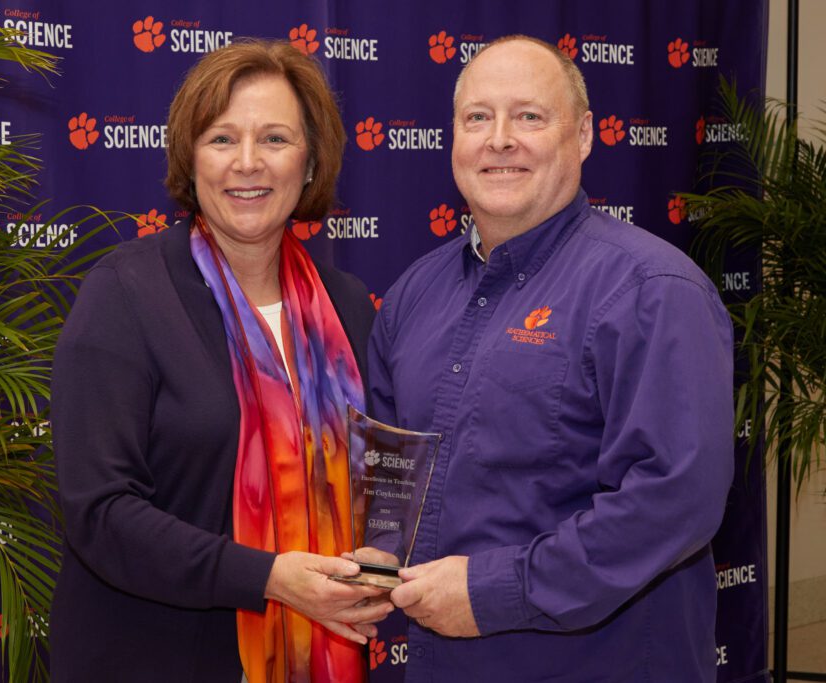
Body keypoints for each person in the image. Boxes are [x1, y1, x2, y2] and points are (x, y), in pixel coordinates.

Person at [365, 35, 735, 681]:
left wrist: (494, 590)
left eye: (529, 116)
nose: (499, 138)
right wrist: (374, 557)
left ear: (584, 135)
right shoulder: (409, 296)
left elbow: (674, 499)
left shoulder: (652, 292)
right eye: (477, 117)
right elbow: (389, 472)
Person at [49, 40, 392, 683]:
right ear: (191, 157)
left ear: (312, 163)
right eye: (221, 138)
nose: (247, 163)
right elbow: (100, 512)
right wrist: (268, 579)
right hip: (151, 659)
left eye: (275, 139)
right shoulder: (125, 293)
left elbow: (380, 483)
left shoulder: (348, 307)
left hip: (326, 647)